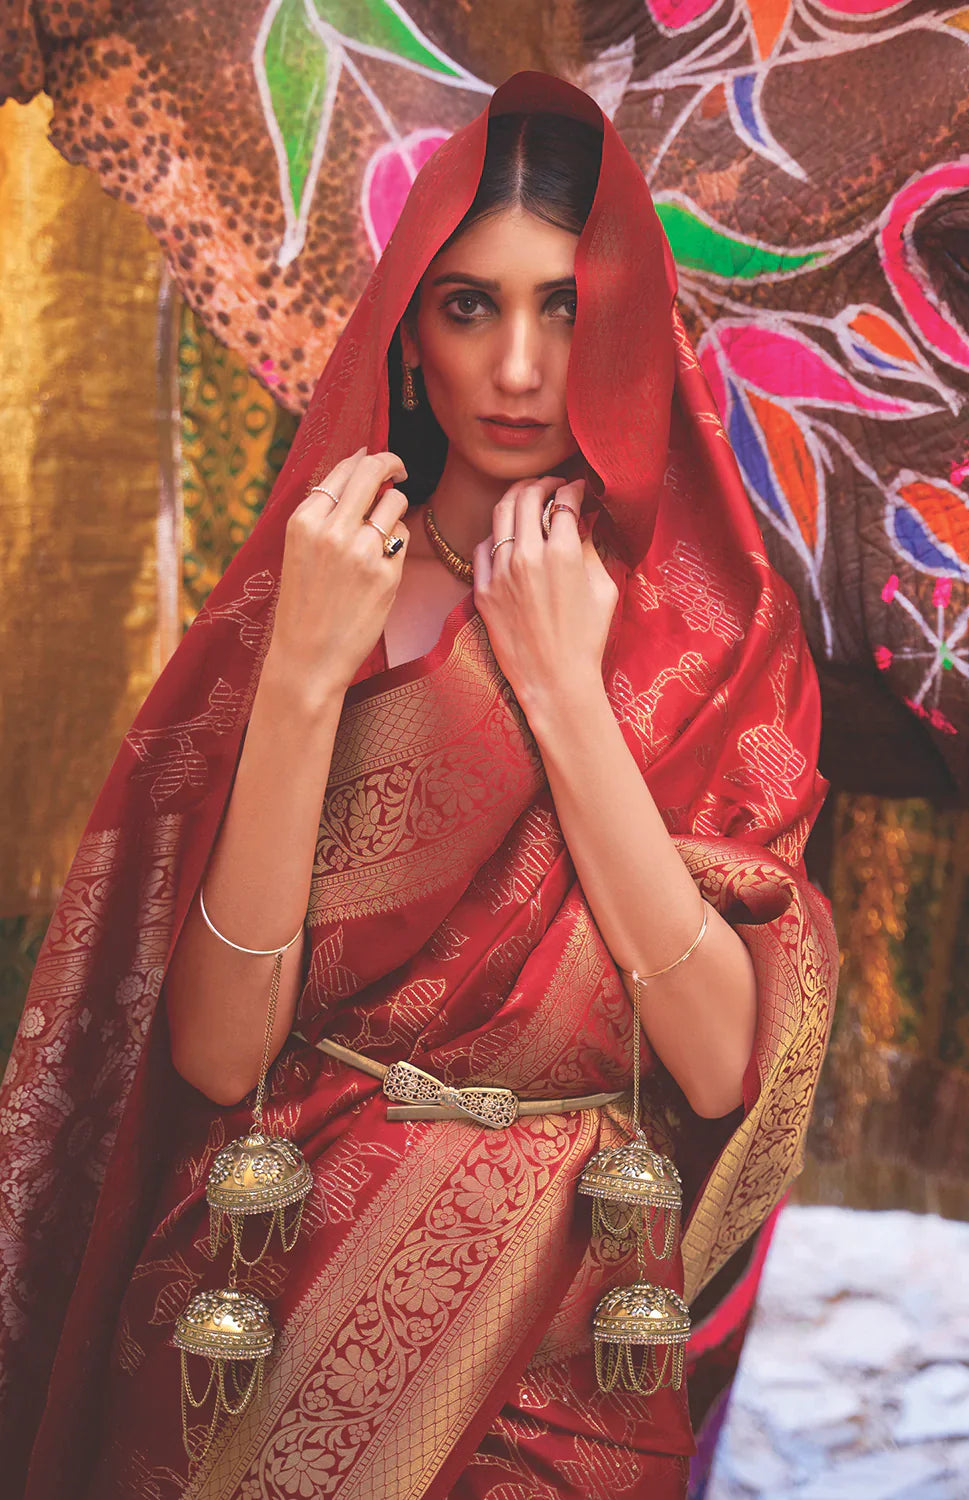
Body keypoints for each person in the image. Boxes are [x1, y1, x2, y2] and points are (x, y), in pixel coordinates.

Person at [0, 71, 837, 1499]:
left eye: (564, 306)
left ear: (628, 324)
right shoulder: (310, 611)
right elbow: (214, 1053)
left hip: (563, 1363)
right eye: (470, 306)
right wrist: (303, 680)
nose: (518, 366)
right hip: (255, 1328)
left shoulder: (712, 639)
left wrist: (567, 693)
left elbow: (714, 1063)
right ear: (408, 332)